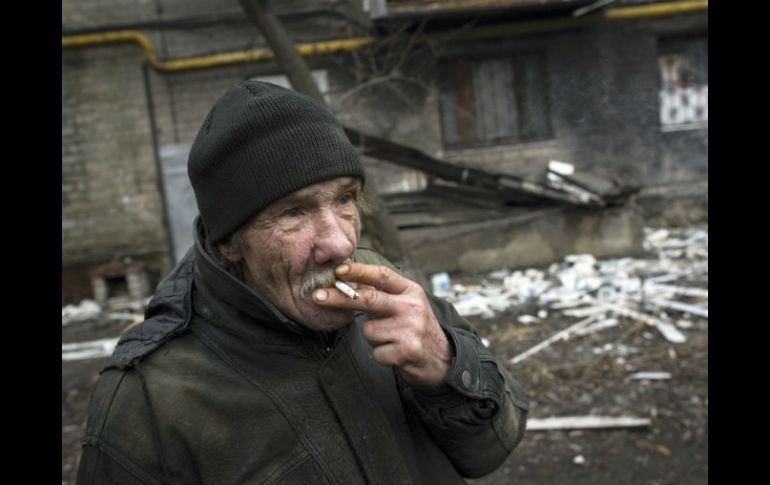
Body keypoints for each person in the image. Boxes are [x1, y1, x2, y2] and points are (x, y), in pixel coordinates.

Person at [76, 80, 529, 484]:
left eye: (345, 199)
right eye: (294, 212)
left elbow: (492, 449)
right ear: (231, 240)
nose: (339, 243)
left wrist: (447, 365)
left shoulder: (387, 293)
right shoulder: (151, 399)